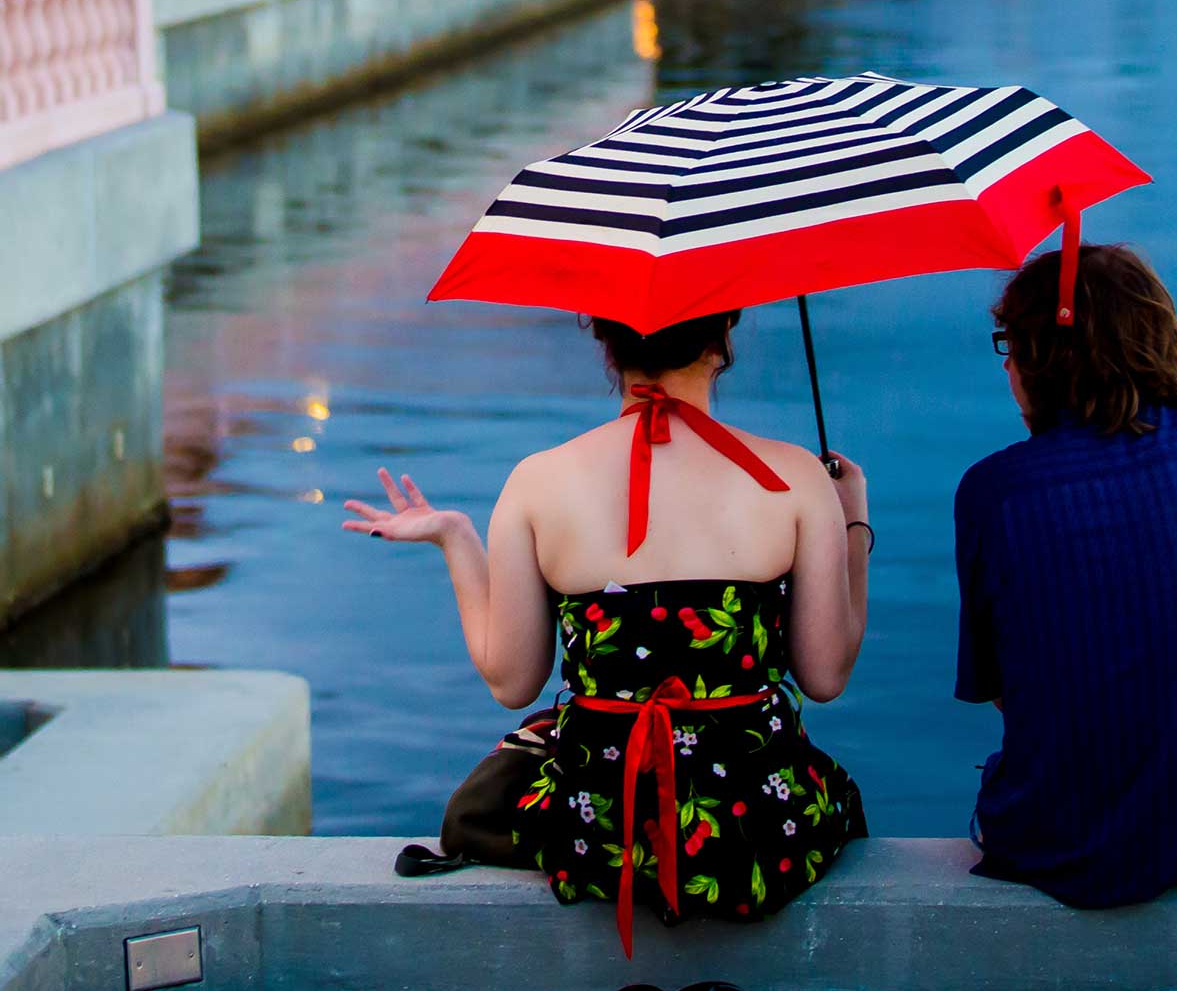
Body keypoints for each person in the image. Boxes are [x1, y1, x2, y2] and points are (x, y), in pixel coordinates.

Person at [341, 309, 870, 953]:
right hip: (756, 828)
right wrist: (852, 526)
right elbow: (826, 675)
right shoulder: (794, 476)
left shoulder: (537, 482)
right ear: (722, 340)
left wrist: (455, 536)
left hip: (598, 828)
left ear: (606, 346)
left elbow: (512, 681)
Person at [954, 244, 1177, 908]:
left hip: (1054, 843)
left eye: (1012, 343)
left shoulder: (991, 492)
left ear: (1041, 360)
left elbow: (1003, 692)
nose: (1005, 362)